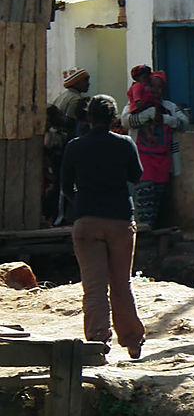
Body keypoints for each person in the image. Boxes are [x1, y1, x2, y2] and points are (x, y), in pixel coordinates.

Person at [59, 95, 145, 359]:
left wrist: (83, 203)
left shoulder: (75, 146)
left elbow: (65, 187)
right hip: (120, 219)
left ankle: (98, 344)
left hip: (86, 222)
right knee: (121, 284)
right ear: (113, 118)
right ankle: (132, 343)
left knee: (94, 287)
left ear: (88, 117)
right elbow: (137, 176)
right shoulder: (125, 143)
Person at [121, 70, 189, 229]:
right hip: (142, 162)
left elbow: (184, 124)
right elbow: (126, 121)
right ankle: (145, 239)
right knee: (144, 202)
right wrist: (149, 115)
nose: (155, 90)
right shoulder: (135, 105)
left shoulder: (169, 107)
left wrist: (165, 119)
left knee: (162, 204)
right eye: (152, 86)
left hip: (164, 163)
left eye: (159, 87)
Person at [45, 67, 91, 224]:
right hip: (64, 145)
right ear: (77, 82)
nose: (88, 84)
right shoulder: (75, 100)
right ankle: (61, 217)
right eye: (85, 80)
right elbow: (71, 123)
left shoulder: (62, 97)